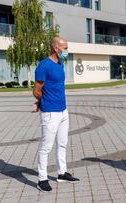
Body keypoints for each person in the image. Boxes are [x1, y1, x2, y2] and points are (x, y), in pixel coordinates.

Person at [33, 36, 80, 192]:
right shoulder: (44, 66)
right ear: (56, 48)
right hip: (50, 113)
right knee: (46, 147)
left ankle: (61, 173)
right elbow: (37, 90)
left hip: (63, 111)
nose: (67, 51)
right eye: (65, 48)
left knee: (62, 143)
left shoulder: (60, 64)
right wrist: (41, 102)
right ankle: (42, 179)